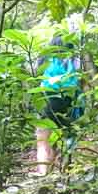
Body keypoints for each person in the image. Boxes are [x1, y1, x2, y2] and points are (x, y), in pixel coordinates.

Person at [35, 34, 82, 176]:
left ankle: (44, 174)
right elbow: (83, 82)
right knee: (68, 138)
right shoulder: (75, 59)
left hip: (48, 98)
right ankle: (66, 174)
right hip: (69, 100)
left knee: (43, 139)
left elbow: (36, 77)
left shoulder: (44, 58)